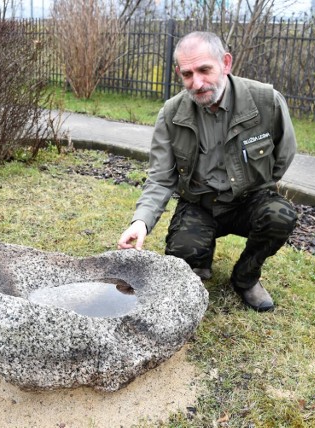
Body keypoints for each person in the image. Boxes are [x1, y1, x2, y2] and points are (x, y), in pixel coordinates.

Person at [117, 31, 297, 312]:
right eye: (187, 74)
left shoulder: (266, 102)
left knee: (279, 216)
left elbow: (283, 157)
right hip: (200, 204)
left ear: (225, 63)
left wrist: (252, 187)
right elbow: (161, 177)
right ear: (179, 73)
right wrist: (140, 222)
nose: (197, 83)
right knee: (183, 254)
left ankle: (246, 278)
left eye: (204, 70)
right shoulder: (171, 113)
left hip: (248, 200)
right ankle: (200, 262)